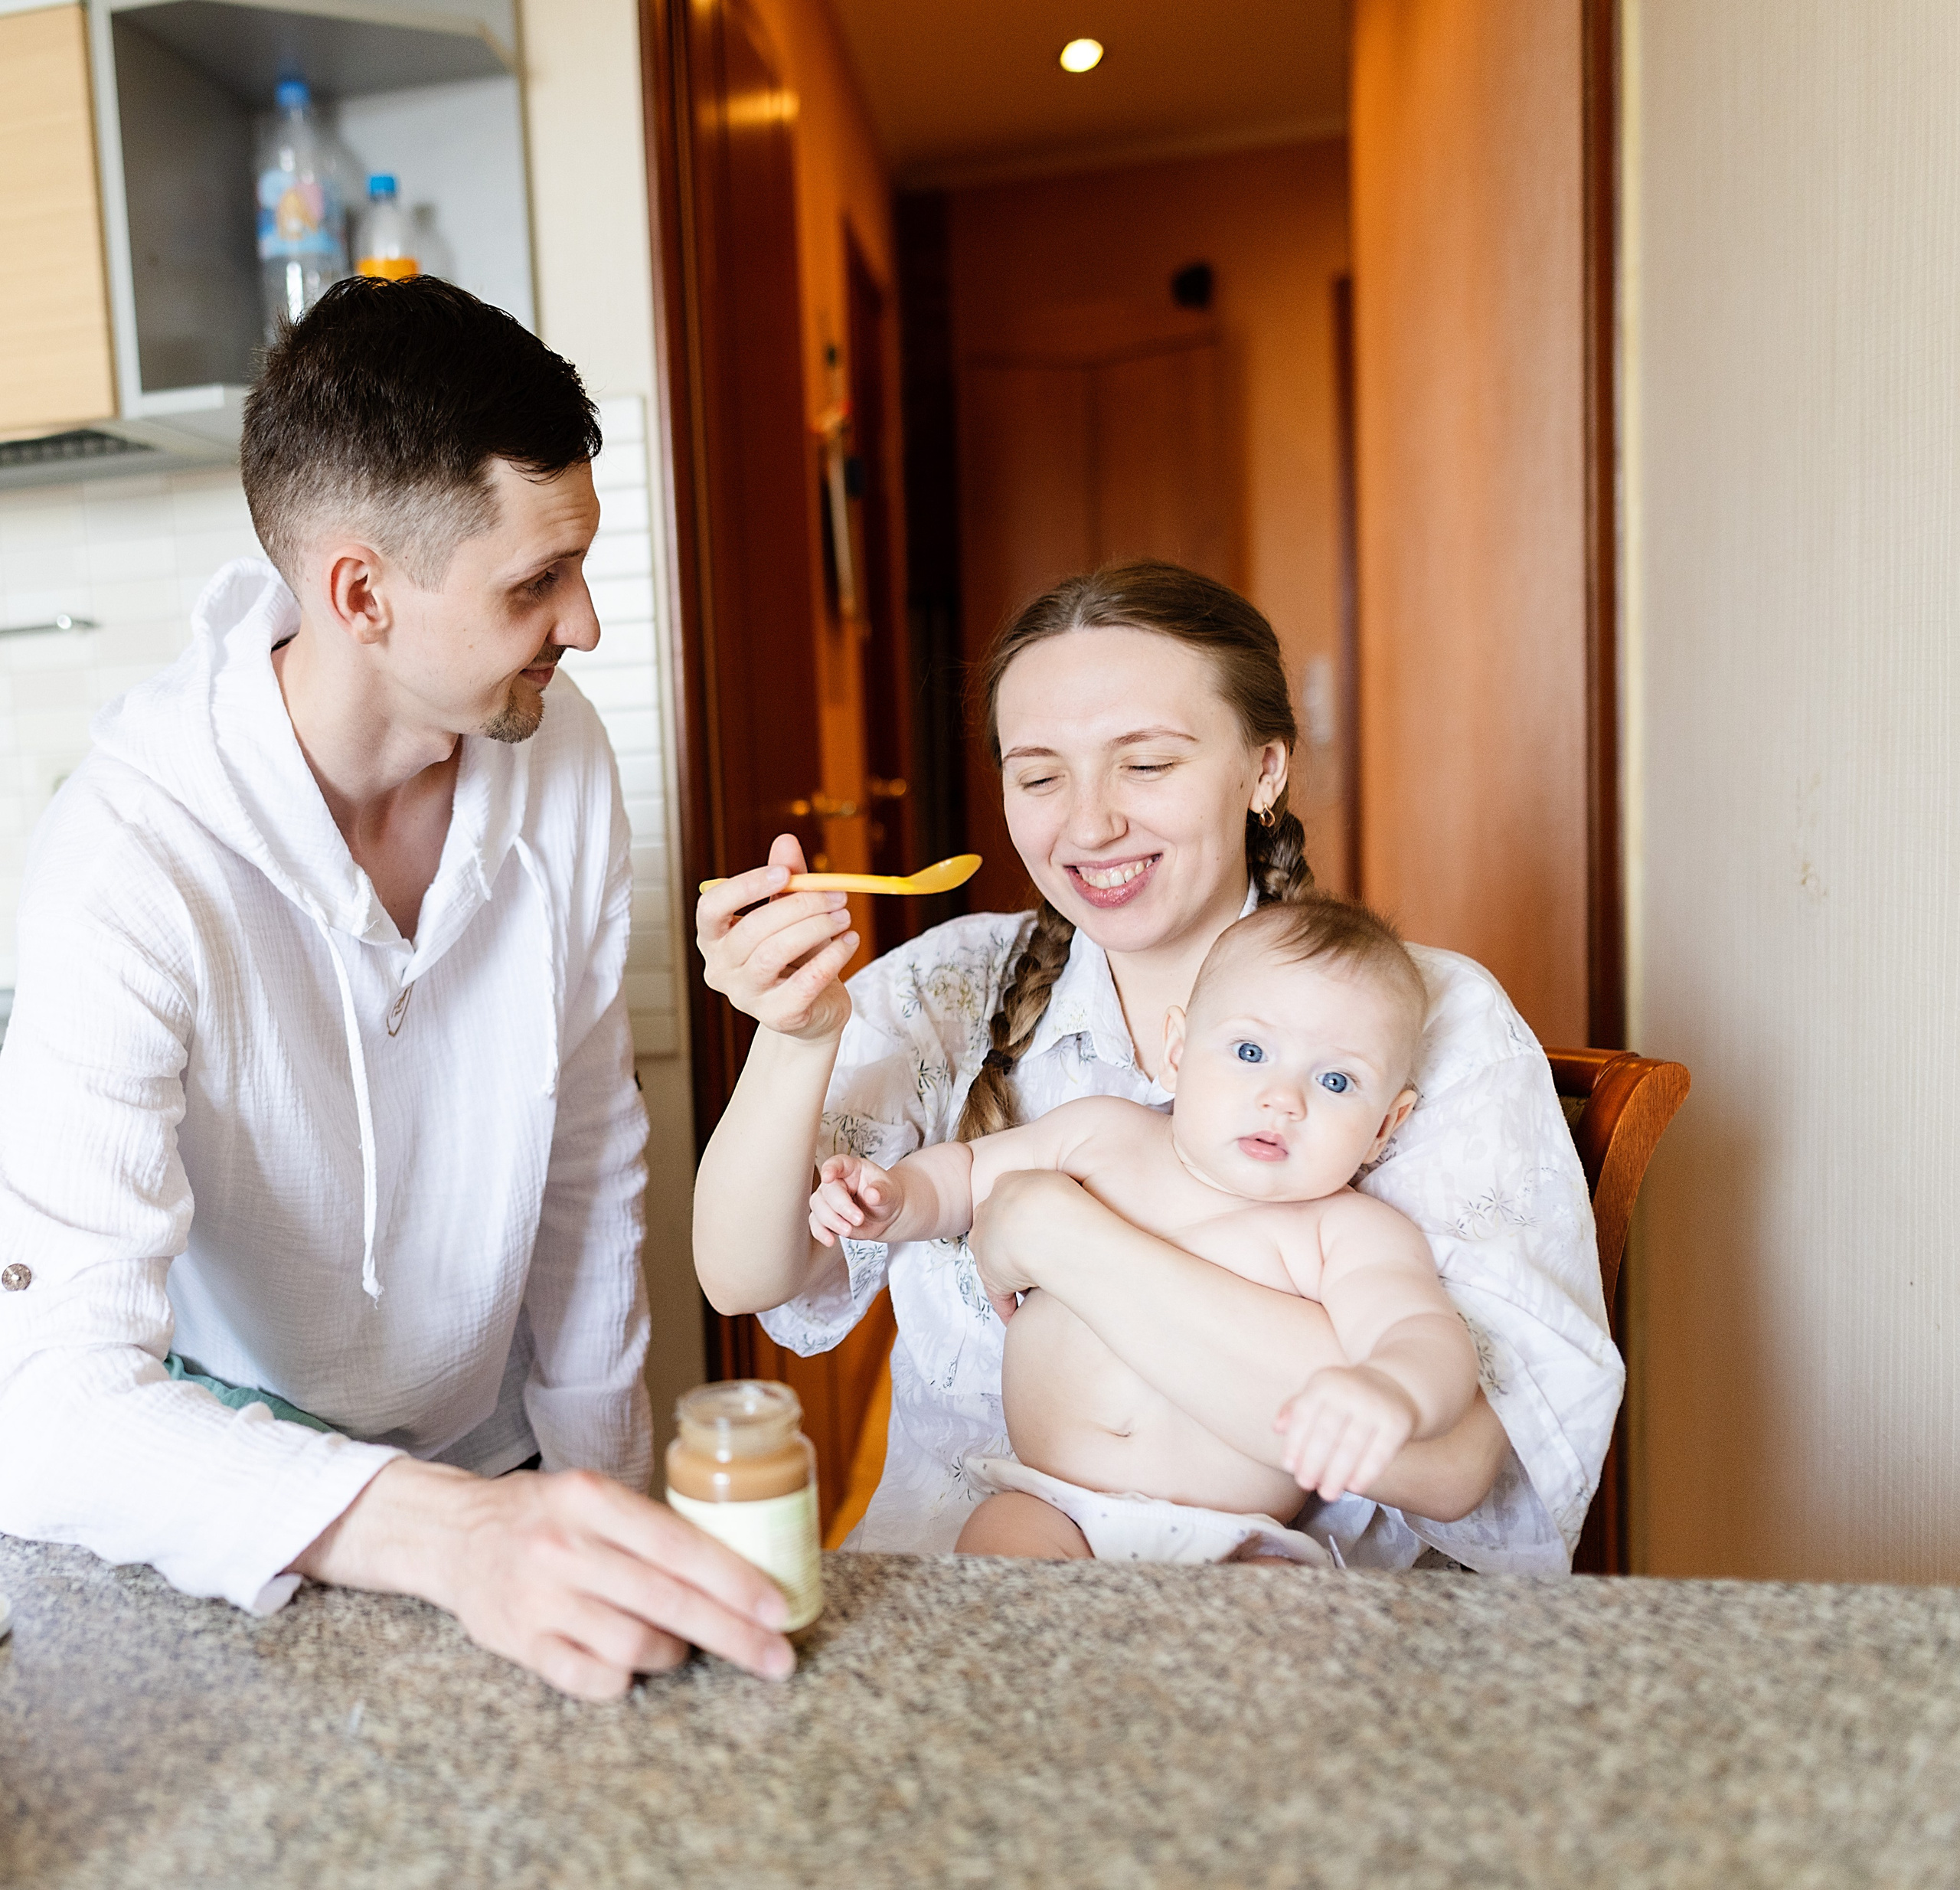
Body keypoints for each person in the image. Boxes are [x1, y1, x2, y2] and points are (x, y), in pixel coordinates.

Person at [0, 278, 792, 1699]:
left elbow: (588, 1163)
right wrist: (459, 1533)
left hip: (501, 1480)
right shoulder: (123, 863)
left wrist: (592, 1501)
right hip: (241, 1531)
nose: (588, 624)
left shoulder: (559, 760)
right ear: (362, 592)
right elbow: (46, 1407)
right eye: (534, 583)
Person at [695, 561, 1621, 1571]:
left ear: (1263, 770)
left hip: (1274, 1626)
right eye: (1040, 774)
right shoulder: (949, 987)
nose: (1089, 826)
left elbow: (1453, 1467)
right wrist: (794, 1037)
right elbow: (745, 1278)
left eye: (1147, 766)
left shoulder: (1423, 1024)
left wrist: (1055, 1233)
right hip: (968, 1589)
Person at [807, 895, 1480, 1564]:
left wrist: (1395, 1390)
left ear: (1385, 1126)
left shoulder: (1347, 1232)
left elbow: (1422, 1333)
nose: (1284, 1099)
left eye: (1335, 1079)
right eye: (1250, 1050)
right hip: (1053, 1508)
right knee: (995, 1553)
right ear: (1179, 1050)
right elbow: (966, 1174)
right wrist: (896, 1198)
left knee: (1289, 1616)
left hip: (1239, 1543)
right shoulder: (1103, 1134)